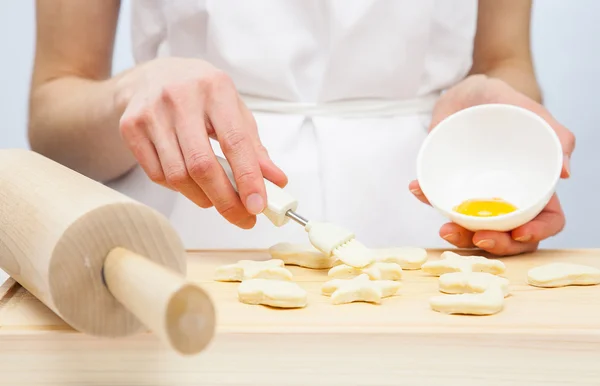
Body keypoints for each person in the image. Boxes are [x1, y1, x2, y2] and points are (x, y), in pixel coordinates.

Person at [28, 0, 575, 256]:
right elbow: (53, 112)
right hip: (186, 230)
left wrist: (500, 125)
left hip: (432, 225)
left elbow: (507, 63)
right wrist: (133, 89)